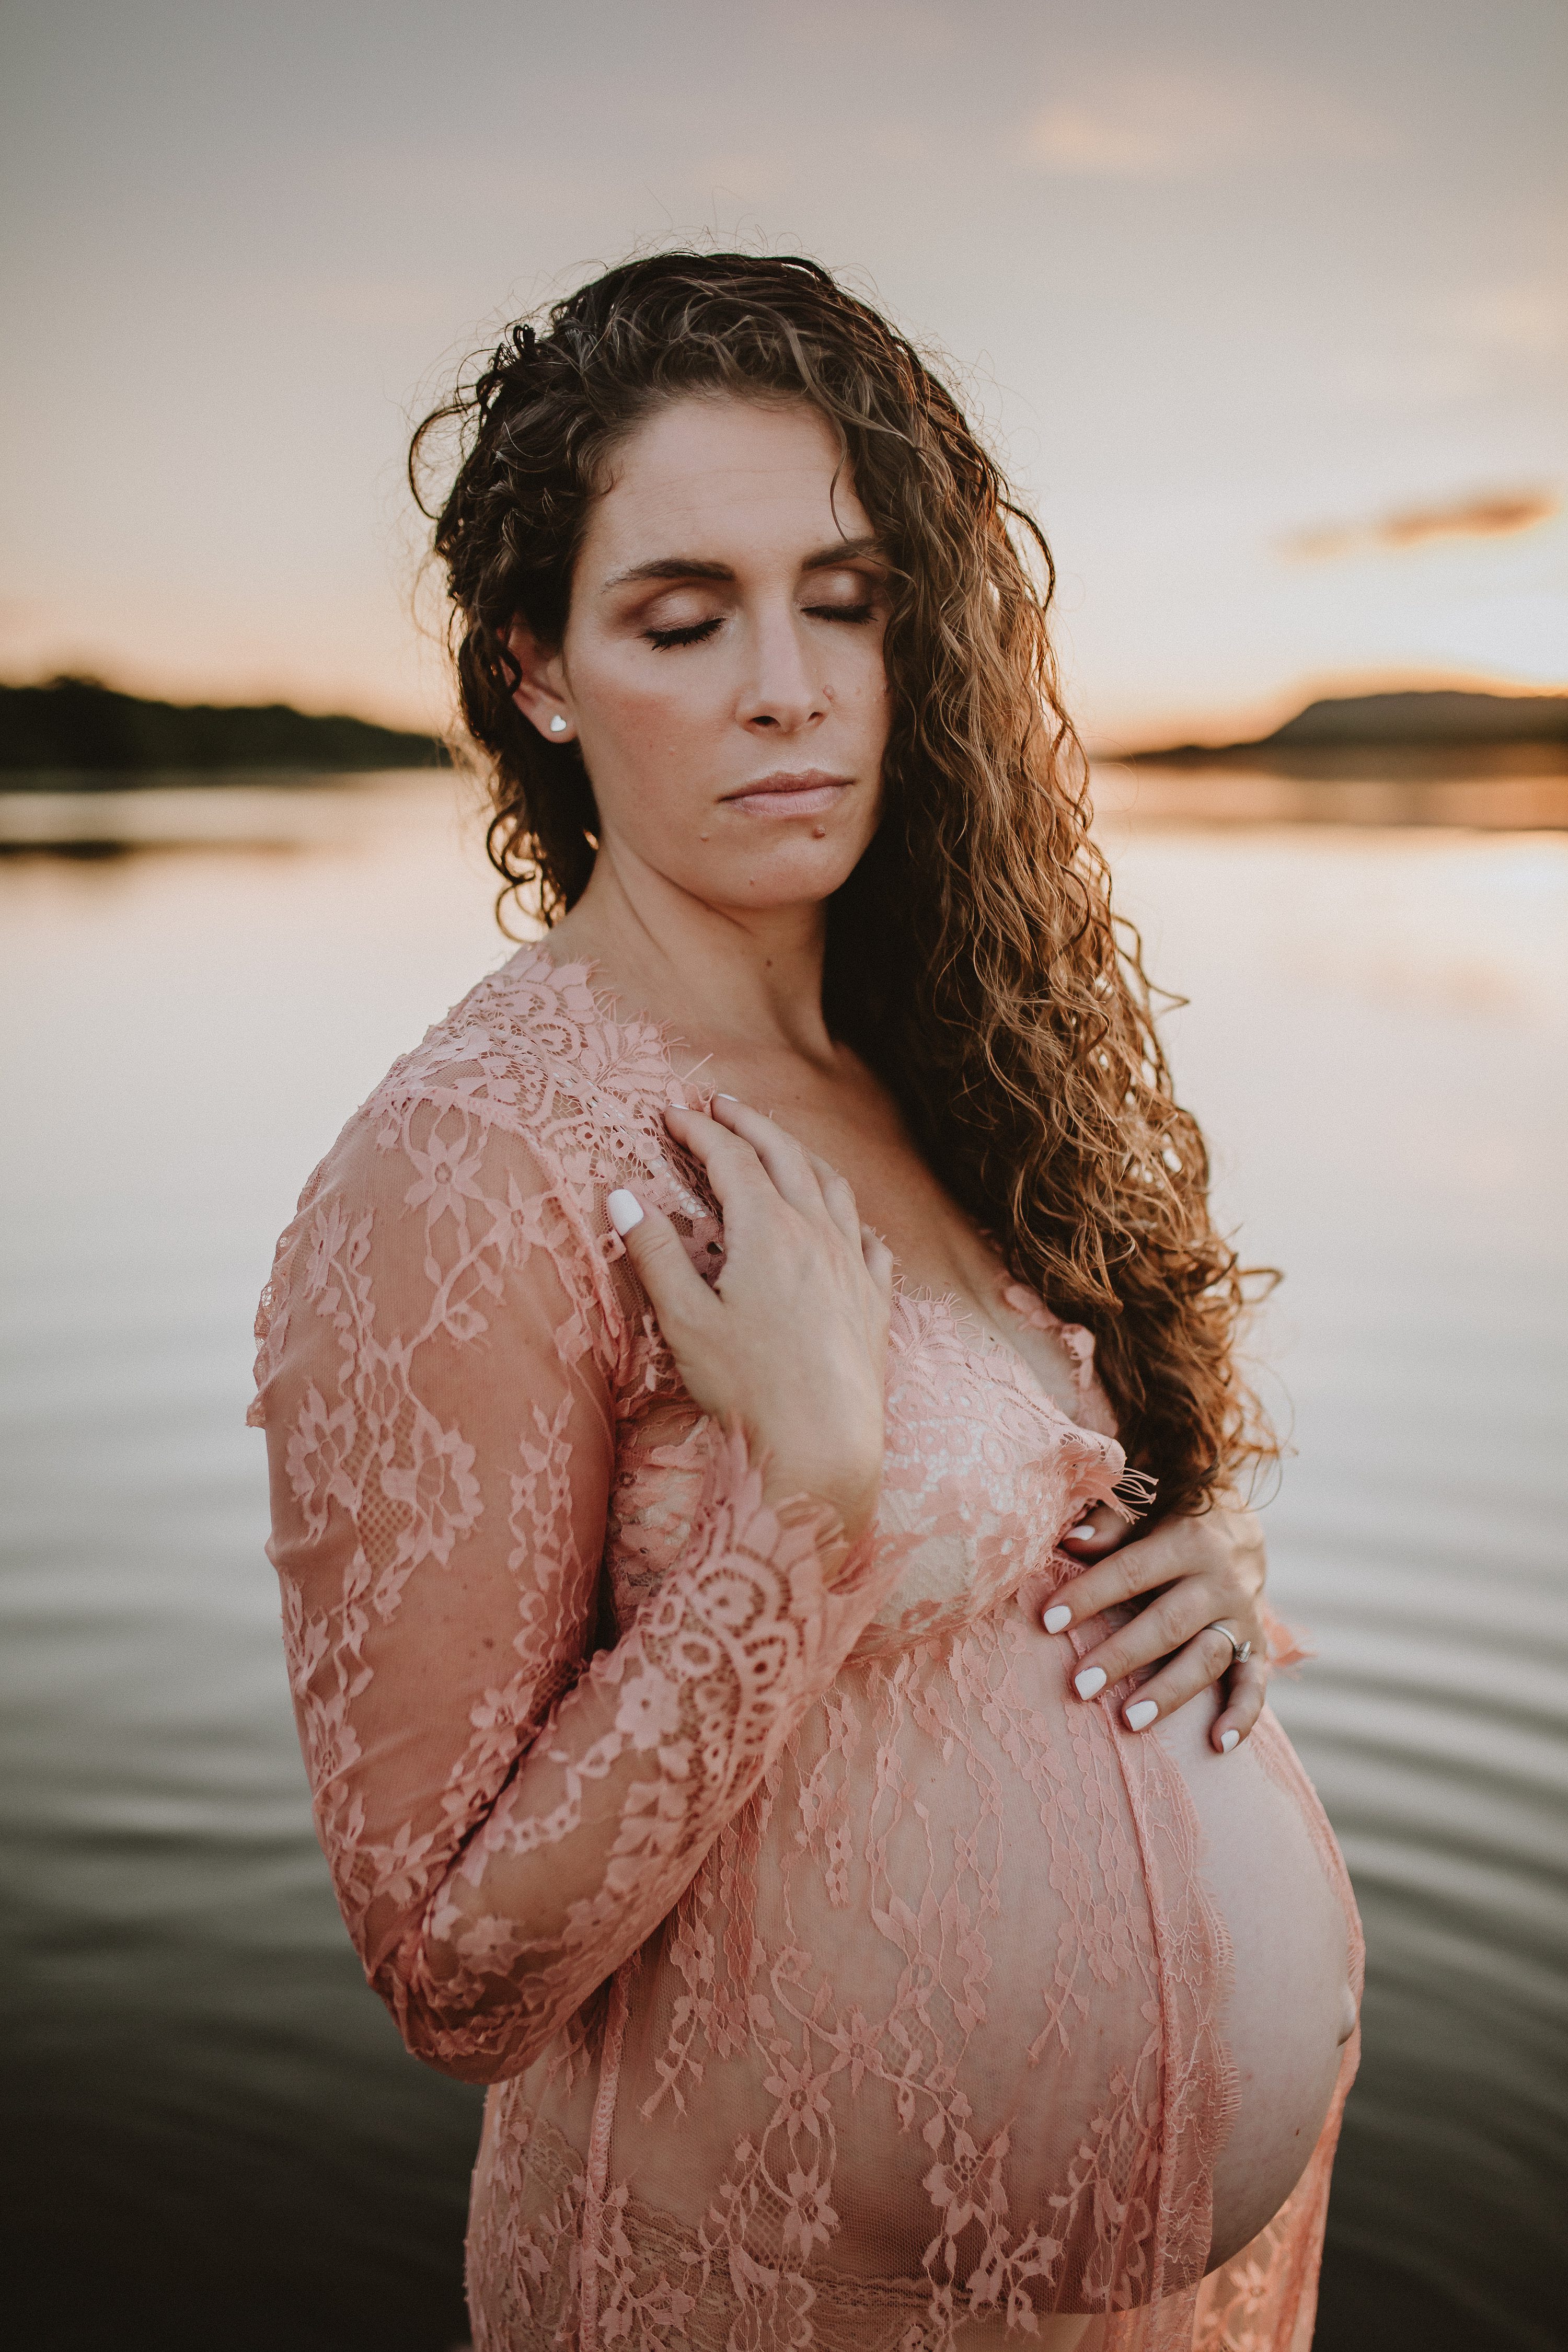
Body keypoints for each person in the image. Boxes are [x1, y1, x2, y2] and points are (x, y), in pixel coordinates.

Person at [251, 252, 1360, 2351]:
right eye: (684, 618)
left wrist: (1209, 1579)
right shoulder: (470, 1169)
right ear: (544, 676)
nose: (790, 683)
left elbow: (1026, 1531)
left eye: (844, 597)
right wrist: (810, 1499)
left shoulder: (953, 1057)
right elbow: (453, 1971)